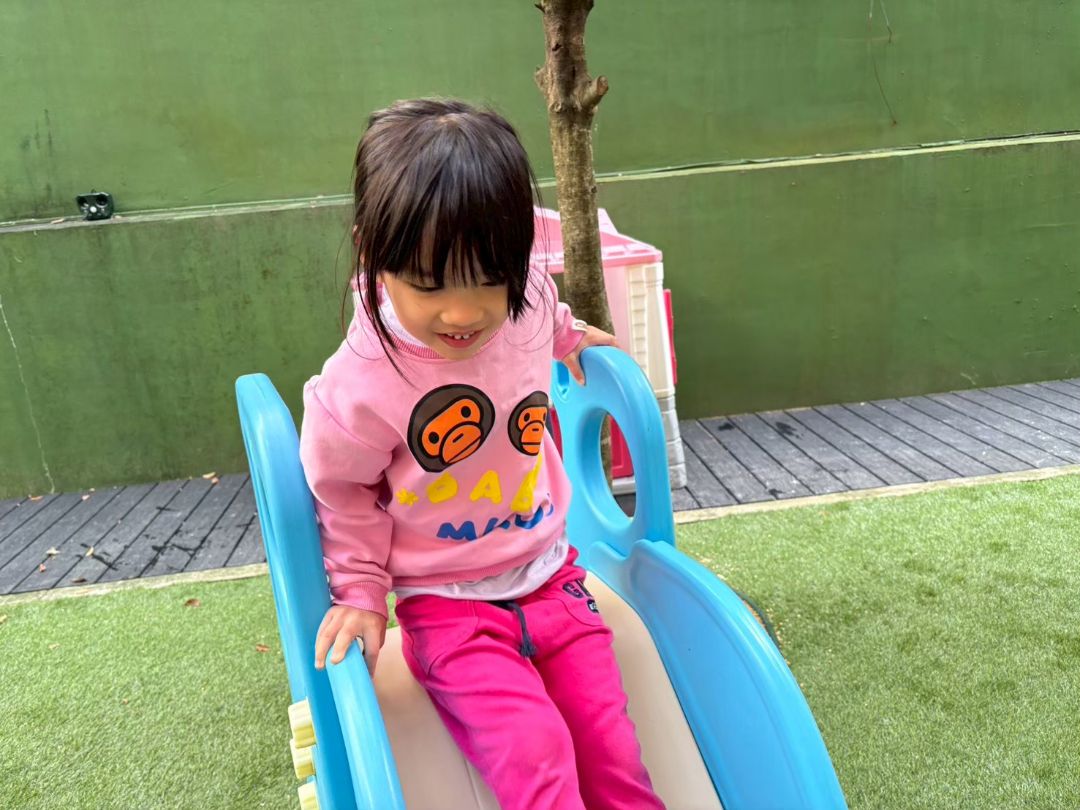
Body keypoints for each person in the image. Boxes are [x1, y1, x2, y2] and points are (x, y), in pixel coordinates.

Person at [299, 98, 664, 810]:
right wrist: (362, 592)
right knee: (537, 755)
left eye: (489, 279)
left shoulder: (526, 298)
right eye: (429, 285)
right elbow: (342, 491)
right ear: (374, 253)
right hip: (447, 606)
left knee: (613, 752)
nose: (463, 313)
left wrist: (571, 336)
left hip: (551, 575)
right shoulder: (360, 383)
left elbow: (543, 313)